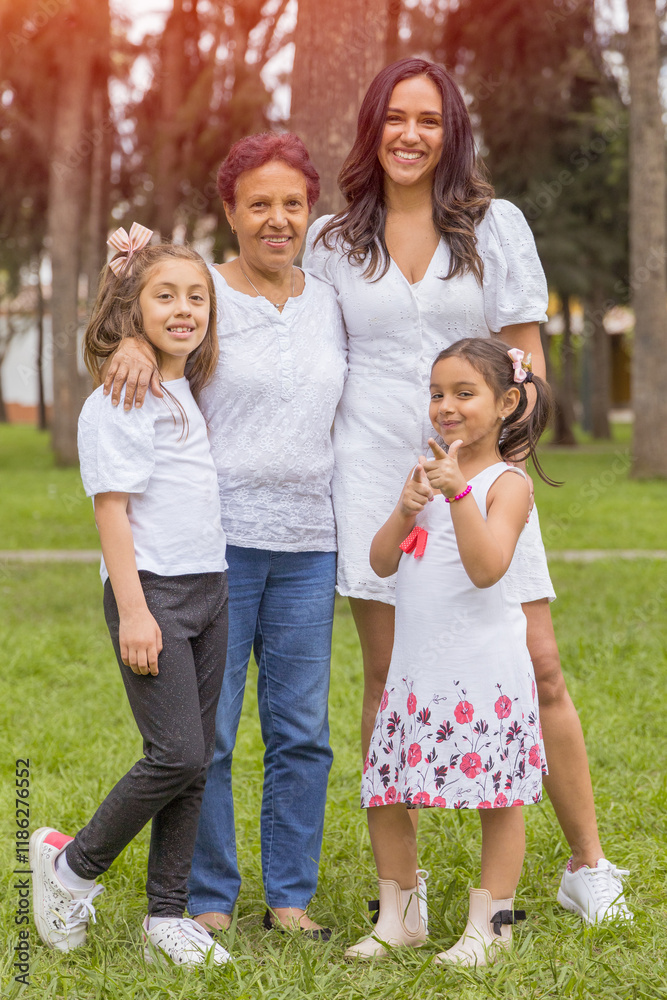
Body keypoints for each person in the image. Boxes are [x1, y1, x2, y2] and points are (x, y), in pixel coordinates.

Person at [304, 57, 631, 925]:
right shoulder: (331, 242)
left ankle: (587, 864)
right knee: (386, 677)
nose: (410, 135)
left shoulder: (496, 226)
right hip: (376, 478)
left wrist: (498, 476)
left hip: (484, 478)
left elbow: (525, 366)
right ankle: (402, 899)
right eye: (394, 117)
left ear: (452, 133)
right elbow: (291, 342)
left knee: (540, 663)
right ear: (371, 127)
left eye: (429, 120)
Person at [100, 134, 347, 937]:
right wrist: (128, 341)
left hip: (310, 543)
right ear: (231, 212)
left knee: (302, 731)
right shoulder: (203, 291)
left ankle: (289, 898)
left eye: (292, 204)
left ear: (310, 212)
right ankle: (207, 897)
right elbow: (152, 320)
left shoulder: (330, 299)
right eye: (258, 204)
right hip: (219, 547)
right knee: (209, 733)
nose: (277, 219)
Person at [30, 231, 231, 966]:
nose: (184, 310)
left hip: (210, 588)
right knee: (174, 753)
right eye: (164, 296)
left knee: (195, 762)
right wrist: (137, 610)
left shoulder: (181, 385)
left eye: (196, 297)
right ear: (133, 307)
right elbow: (110, 511)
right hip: (153, 596)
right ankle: (70, 869)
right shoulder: (120, 397)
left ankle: (166, 918)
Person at [346, 338, 553, 966]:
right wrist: (405, 509)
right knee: (387, 789)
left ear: (507, 403)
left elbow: (487, 568)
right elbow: (380, 564)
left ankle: (490, 928)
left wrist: (459, 494)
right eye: (437, 393)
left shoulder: (506, 484)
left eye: (465, 393)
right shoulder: (426, 474)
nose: (446, 406)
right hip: (416, 677)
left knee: (496, 798)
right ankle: (400, 917)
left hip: (482, 677)